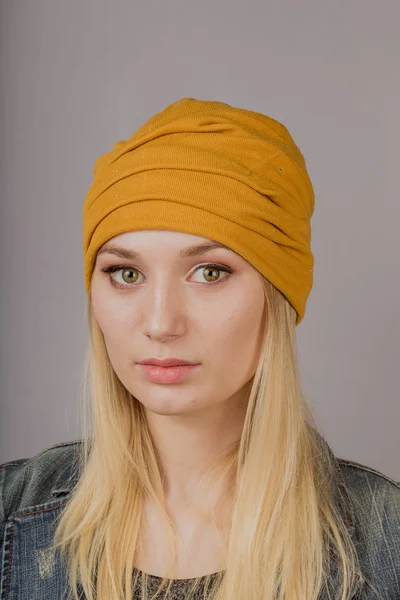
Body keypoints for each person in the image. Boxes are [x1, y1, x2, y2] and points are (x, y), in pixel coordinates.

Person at [0, 97, 399, 600]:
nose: (161, 323)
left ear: (278, 295)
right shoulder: (9, 510)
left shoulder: (388, 540)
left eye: (210, 273)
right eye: (126, 274)